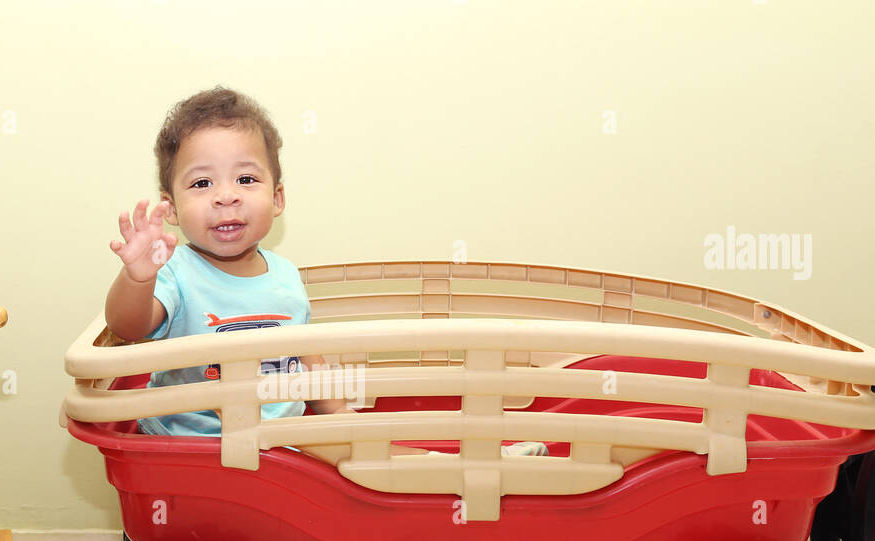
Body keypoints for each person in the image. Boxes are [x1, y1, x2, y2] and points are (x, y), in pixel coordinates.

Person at [103, 86, 546, 456]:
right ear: (172, 207)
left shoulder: (284, 275)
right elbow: (127, 326)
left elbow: (304, 357)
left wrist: (337, 413)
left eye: (246, 179)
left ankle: (473, 462)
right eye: (202, 183)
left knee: (364, 453)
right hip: (194, 447)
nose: (226, 197)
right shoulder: (175, 271)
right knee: (350, 459)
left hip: (284, 443)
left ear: (277, 199)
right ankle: (458, 467)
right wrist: (138, 276)